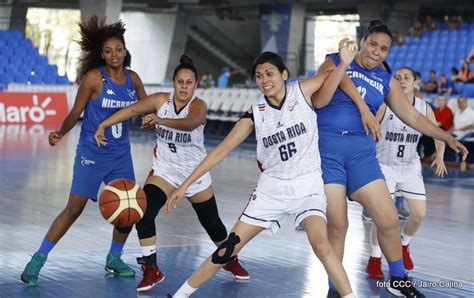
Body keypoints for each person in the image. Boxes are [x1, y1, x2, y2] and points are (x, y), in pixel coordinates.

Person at [165, 42, 360, 298]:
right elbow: (220, 151)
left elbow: (333, 76)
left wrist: (344, 61)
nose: (264, 80)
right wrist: (184, 185)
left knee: (322, 246)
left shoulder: (302, 92)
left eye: (269, 73)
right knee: (227, 250)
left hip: (307, 186)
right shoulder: (255, 113)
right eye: (259, 76)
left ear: (284, 74)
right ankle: (179, 296)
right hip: (271, 190)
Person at [312, 20, 468, 298]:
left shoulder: (385, 80)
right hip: (328, 152)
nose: (377, 52)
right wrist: (359, 102)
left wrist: (446, 137)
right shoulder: (335, 60)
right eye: (373, 44)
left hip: (361, 155)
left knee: (388, 220)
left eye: (384, 49)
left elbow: (414, 116)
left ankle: (398, 279)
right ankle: (334, 290)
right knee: (338, 225)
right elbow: (318, 98)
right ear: (362, 42)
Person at [94, 55, 249, 292]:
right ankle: (151, 269)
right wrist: (103, 125)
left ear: (195, 85)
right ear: (174, 83)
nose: (184, 86)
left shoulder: (198, 106)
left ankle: (230, 259)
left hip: (194, 173)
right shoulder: (159, 100)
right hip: (165, 172)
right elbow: (132, 109)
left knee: (213, 225)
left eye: (189, 82)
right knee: (143, 213)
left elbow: (190, 123)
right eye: (180, 81)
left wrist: (160, 120)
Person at [20, 16, 147, 286]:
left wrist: (152, 120)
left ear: (125, 51)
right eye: (108, 50)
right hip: (92, 151)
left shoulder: (133, 79)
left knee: (129, 206)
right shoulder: (93, 78)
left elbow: (145, 109)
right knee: (74, 209)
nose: (114, 54)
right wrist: (59, 133)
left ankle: (114, 258)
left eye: (119, 49)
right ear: (101, 54)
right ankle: (37, 260)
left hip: (120, 153)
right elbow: (75, 113)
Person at [365, 67, 447, 279]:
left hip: (410, 166)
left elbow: (438, 134)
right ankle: (375, 259)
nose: (402, 81)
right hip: (384, 166)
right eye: (398, 78)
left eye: (406, 78)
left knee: (419, 215)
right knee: (381, 217)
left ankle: (403, 244)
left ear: (415, 81)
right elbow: (370, 125)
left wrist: (440, 156)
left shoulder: (423, 107)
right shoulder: (385, 103)